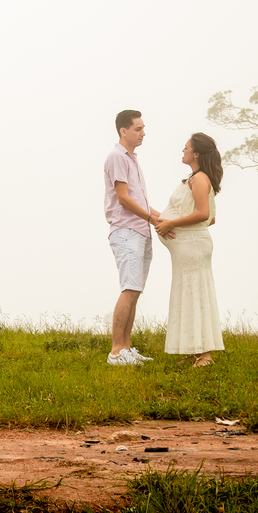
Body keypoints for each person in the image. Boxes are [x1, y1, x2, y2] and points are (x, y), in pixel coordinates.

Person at [155, 132, 225, 367]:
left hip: (194, 247)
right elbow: (210, 218)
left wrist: (172, 223)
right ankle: (195, 351)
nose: (182, 151)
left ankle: (206, 355)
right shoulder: (195, 178)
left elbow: (205, 215)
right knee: (187, 295)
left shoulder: (200, 179)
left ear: (196, 153)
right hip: (188, 248)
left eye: (186, 147)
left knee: (197, 294)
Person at [103, 110, 165, 366]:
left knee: (135, 291)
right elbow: (124, 198)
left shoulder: (132, 159)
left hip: (140, 230)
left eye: (143, 128)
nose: (143, 133)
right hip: (127, 231)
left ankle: (127, 348)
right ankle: (116, 351)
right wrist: (153, 220)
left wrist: (164, 219)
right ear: (123, 131)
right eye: (138, 129)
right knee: (129, 289)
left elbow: (140, 201)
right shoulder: (117, 156)